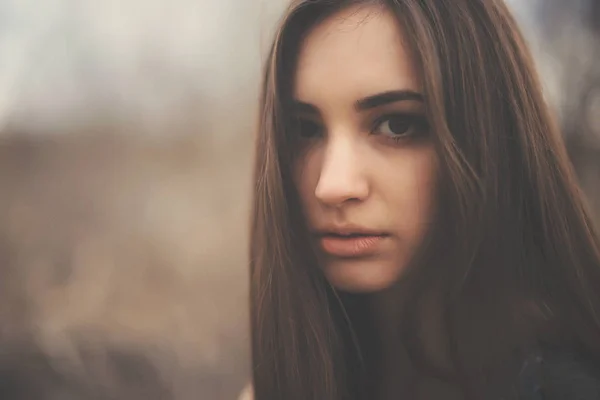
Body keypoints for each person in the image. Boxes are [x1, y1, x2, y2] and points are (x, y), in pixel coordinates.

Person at [248, 0, 600, 399]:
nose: (331, 185)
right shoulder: (291, 381)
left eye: (396, 124)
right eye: (304, 129)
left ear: (486, 138)